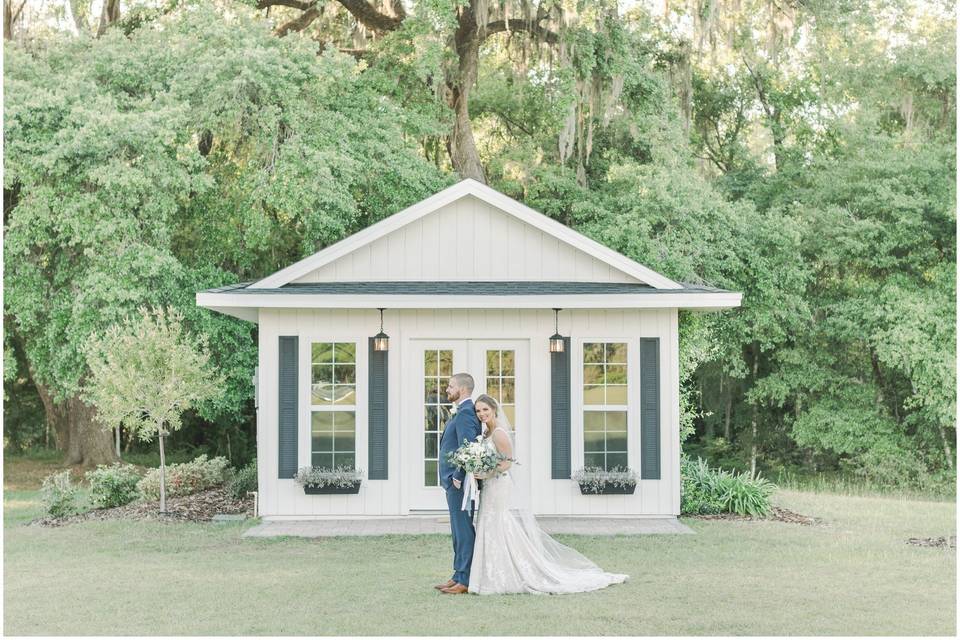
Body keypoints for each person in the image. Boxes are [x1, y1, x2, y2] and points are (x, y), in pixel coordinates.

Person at [467, 393, 629, 595]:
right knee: (489, 521)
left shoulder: (499, 433)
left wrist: (487, 472)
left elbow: (508, 462)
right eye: (478, 411)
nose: (482, 414)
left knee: (498, 521)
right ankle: (491, 575)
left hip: (499, 484)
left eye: (485, 410)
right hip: (490, 485)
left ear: (494, 409)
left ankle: (509, 573)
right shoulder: (484, 434)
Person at [434, 373, 482, 595]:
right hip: (452, 483)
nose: (446, 389)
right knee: (457, 529)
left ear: (462, 389)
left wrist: (457, 476)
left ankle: (465, 579)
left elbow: (468, 449)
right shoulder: (461, 412)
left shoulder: (465, 414)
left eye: (450, 386)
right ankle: (457, 574)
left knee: (463, 530)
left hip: (458, 484)